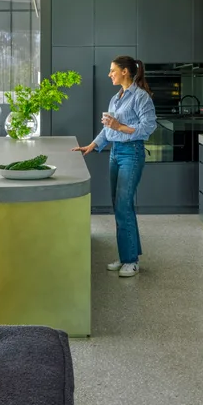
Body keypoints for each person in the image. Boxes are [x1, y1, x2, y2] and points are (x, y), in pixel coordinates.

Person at [72, 55, 156, 278]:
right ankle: (126, 255)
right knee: (119, 205)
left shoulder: (141, 97)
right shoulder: (115, 98)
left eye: (112, 70)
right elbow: (108, 129)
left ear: (125, 72)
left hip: (132, 153)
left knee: (123, 205)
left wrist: (119, 126)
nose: (109, 74)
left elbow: (148, 128)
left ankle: (131, 261)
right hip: (116, 153)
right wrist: (92, 145)